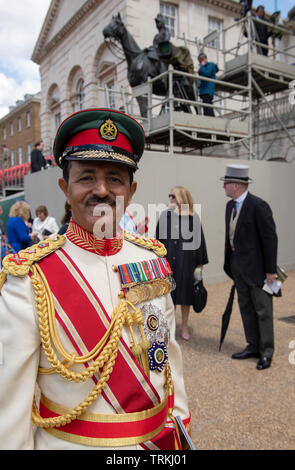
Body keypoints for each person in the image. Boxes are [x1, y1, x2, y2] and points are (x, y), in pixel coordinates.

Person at [0, 108, 190, 450]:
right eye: (87, 177)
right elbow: (9, 408)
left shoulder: (151, 260)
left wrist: (179, 423)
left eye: (115, 178)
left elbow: (165, 355)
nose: (101, 190)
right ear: (65, 187)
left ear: (130, 192)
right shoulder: (29, 279)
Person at [222, 164, 278, 370]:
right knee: (245, 307)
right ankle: (253, 346)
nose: (224, 187)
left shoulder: (258, 206)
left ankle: (266, 352)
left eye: (226, 183)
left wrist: (270, 270)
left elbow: (270, 238)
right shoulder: (230, 206)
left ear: (236, 185)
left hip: (258, 269)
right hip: (238, 266)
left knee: (263, 310)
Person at [156, 186, 208, 340]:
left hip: (187, 264)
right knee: (169, 298)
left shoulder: (193, 218)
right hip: (168, 264)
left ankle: (184, 326)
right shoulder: (165, 216)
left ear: (181, 199)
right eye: (169, 195)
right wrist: (158, 261)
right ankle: (169, 327)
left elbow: (200, 244)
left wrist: (199, 266)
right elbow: (158, 241)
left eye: (173, 196)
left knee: (186, 298)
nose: (170, 199)